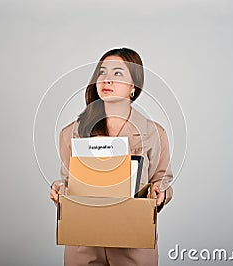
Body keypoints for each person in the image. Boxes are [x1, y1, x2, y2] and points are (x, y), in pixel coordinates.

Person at [50, 47, 173, 266]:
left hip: (133, 244)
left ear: (133, 87)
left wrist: (160, 192)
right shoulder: (72, 133)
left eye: (117, 73)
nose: (107, 79)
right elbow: (67, 183)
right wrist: (59, 191)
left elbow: (161, 180)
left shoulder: (154, 133)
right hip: (84, 245)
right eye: (102, 72)